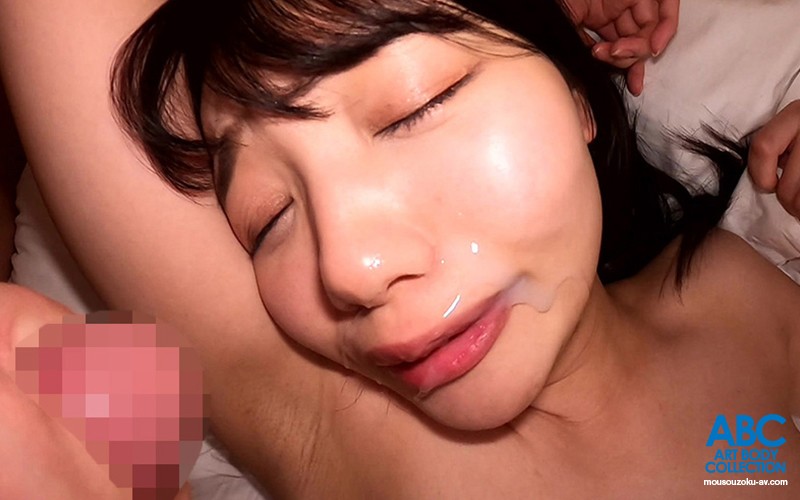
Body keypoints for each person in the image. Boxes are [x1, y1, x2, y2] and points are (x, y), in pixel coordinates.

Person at [3, 0, 794, 498]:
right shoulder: (336, 431)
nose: (349, 269)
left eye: (412, 109)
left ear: (575, 92)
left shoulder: (744, 297)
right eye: (269, 218)